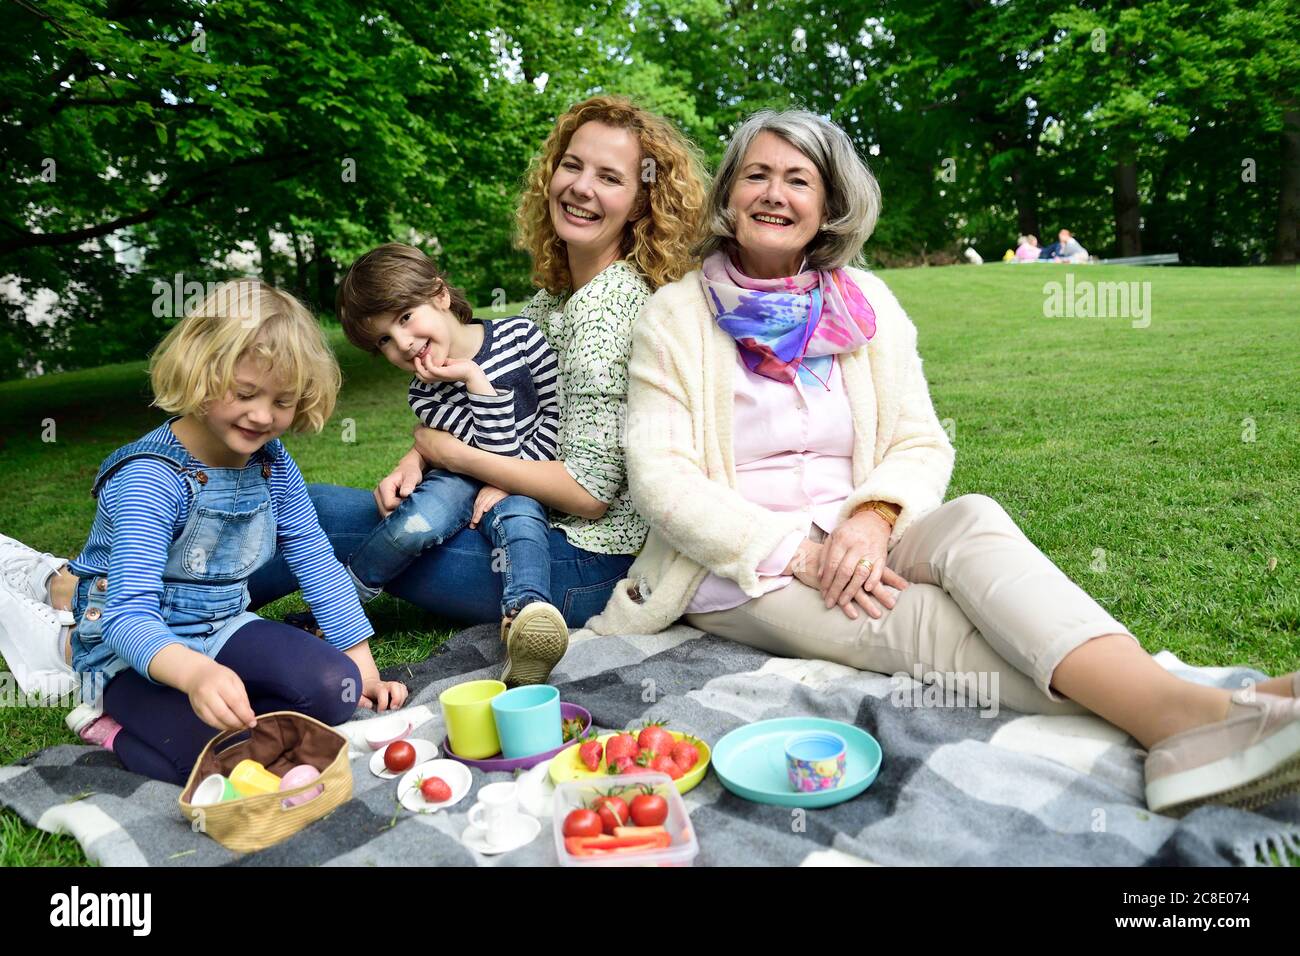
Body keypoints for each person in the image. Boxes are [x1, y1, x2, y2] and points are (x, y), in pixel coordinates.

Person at [587, 108, 1300, 817]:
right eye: (758, 175)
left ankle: (1194, 716)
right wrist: (796, 552)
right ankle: (1192, 714)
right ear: (729, 195)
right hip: (741, 567)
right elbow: (662, 480)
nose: (776, 194)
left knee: (975, 519)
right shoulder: (675, 317)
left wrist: (871, 517)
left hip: (857, 527)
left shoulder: (867, 303)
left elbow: (921, 440)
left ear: (829, 205)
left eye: (799, 180)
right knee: (927, 621)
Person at [247, 96, 707, 687]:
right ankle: (144, 599)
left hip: (579, 563)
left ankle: (135, 605)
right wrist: (418, 455)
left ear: (641, 199)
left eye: (610, 177)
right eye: (572, 165)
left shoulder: (606, 310)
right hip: (539, 531)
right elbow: (509, 399)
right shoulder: (562, 297)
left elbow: (590, 494)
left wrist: (445, 453)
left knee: (306, 510)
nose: (581, 187)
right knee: (319, 509)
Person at [0, 281, 407, 785]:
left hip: (221, 626)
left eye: (282, 401)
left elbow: (313, 555)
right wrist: (196, 675)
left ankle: (211, 700)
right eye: (245, 393)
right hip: (125, 652)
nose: (263, 416)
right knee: (217, 761)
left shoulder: (272, 463)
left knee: (336, 692)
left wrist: (359, 659)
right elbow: (128, 618)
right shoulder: (150, 478)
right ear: (201, 372)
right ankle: (105, 724)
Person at [324, 242, 565, 686]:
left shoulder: (522, 339)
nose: (403, 344)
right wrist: (470, 383)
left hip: (528, 475)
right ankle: (340, 604)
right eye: (384, 340)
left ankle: (526, 623)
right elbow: (486, 454)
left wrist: (512, 479)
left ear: (439, 295)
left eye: (404, 318)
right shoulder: (424, 392)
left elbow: (555, 420)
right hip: (461, 476)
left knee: (521, 522)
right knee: (415, 521)